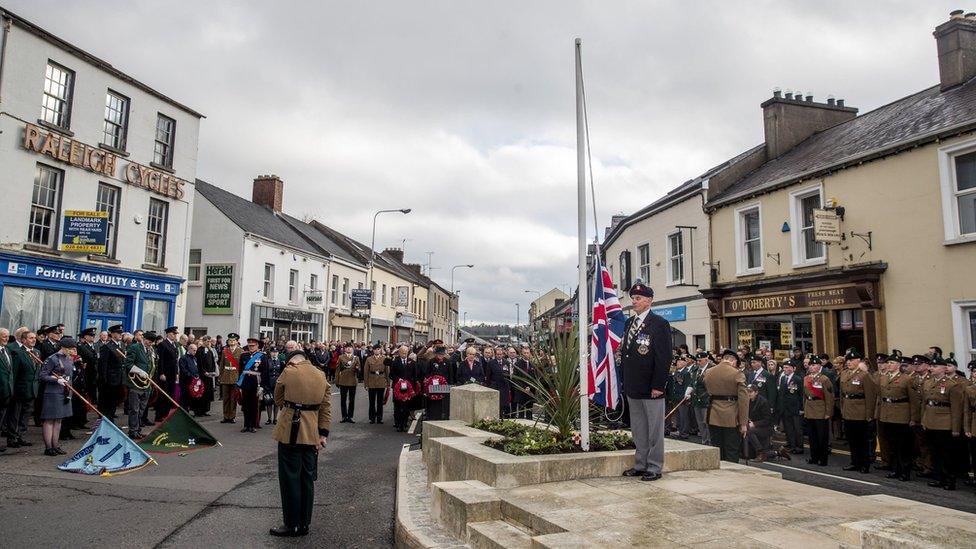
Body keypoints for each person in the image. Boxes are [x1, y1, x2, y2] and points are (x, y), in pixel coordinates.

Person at [269, 344, 332, 538]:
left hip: (290, 430)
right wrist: (323, 434)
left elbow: (278, 398)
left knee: (290, 479)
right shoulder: (320, 375)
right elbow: (326, 407)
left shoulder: (288, 372)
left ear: (291, 361)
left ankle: (292, 524)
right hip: (312, 432)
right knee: (307, 479)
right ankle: (305, 523)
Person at [619, 282, 671, 482]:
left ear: (649, 301)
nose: (634, 301)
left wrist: (658, 385)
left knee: (654, 430)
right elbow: (627, 355)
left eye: (638, 298)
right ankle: (640, 464)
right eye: (633, 298)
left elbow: (663, 357)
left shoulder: (659, 324)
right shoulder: (629, 323)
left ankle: (654, 467)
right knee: (639, 429)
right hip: (633, 386)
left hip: (651, 388)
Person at [920, 357, 964, 490]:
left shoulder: (952, 385)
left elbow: (956, 408)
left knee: (947, 453)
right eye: (931, 366)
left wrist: (956, 428)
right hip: (930, 421)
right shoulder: (927, 383)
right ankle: (939, 477)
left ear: (944, 369)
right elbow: (924, 404)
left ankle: (950, 480)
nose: (932, 368)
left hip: (945, 423)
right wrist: (924, 420)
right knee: (935, 452)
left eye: (935, 366)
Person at [876, 352, 916, 481]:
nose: (889, 365)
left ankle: (905, 471)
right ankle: (895, 469)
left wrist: (913, 418)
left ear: (899, 365)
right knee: (891, 444)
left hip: (901, 414)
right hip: (887, 414)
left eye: (892, 363)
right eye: (888, 363)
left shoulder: (907, 379)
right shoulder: (883, 378)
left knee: (903, 445)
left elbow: (913, 400)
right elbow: (880, 397)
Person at [704, 350, 749, 462]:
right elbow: (743, 400)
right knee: (732, 450)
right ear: (733, 361)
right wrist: (743, 423)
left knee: (717, 449)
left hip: (713, 414)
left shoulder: (709, 372)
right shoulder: (737, 373)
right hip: (731, 416)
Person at [839, 350, 878, 473]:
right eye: (848, 360)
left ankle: (864, 464)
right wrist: (842, 409)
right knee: (851, 439)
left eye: (852, 360)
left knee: (862, 440)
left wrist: (869, 414)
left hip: (860, 412)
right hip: (848, 411)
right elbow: (842, 395)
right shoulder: (844, 374)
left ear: (858, 361)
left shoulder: (864, 375)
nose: (849, 362)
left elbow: (870, 396)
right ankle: (854, 462)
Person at [38, 337, 77, 456]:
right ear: (64, 348)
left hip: (65, 391)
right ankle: (48, 447)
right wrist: (56, 379)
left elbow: (69, 375)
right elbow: (42, 375)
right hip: (53, 392)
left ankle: (55, 445)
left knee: (59, 419)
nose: (72, 351)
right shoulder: (52, 359)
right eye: (70, 349)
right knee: (50, 419)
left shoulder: (69, 359)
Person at [4, 330, 40, 448]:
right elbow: (13, 374)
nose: (33, 340)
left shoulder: (37, 352)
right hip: (19, 390)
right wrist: (12, 390)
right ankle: (12, 438)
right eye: (30, 338)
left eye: (34, 338)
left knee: (26, 414)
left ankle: (21, 436)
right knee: (15, 415)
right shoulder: (18, 353)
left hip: (32, 390)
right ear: (23, 340)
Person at [124, 331, 156, 439]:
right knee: (134, 409)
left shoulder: (150, 350)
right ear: (143, 338)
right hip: (135, 384)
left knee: (142, 409)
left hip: (146, 384)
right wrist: (138, 371)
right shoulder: (135, 348)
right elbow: (128, 364)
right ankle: (132, 431)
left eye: (151, 342)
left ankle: (138, 429)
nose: (149, 344)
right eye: (148, 341)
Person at [803, 356, 834, 466]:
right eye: (811, 365)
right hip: (810, 409)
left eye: (814, 365)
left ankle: (823, 459)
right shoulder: (806, 378)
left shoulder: (824, 379)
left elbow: (829, 397)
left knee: (822, 437)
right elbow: (804, 396)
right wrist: (805, 409)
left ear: (819, 366)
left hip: (820, 410)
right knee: (812, 437)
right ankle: (814, 457)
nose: (812, 367)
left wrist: (828, 412)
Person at [97, 324, 126, 419]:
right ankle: (107, 422)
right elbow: (103, 365)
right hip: (110, 380)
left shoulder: (120, 346)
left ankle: (111, 421)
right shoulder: (107, 347)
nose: (120, 335)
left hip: (118, 379)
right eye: (118, 333)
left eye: (121, 333)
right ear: (113, 334)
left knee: (114, 402)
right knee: (108, 403)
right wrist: (104, 380)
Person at [776, 362, 804, 455]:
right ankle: (792, 445)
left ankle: (799, 447)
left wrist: (801, 408)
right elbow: (781, 394)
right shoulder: (783, 378)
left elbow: (801, 395)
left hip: (795, 408)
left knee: (797, 429)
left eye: (787, 367)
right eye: (784, 367)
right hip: (785, 408)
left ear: (793, 368)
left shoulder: (798, 379)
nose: (785, 369)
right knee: (789, 428)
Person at [238, 338, 265, 433]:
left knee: (254, 406)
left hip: (255, 384)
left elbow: (264, 372)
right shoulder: (243, 355)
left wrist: (262, 386)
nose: (251, 347)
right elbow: (240, 370)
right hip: (245, 383)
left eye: (253, 345)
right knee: (245, 406)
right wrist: (239, 384)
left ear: (258, 346)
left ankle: (253, 426)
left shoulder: (262, 356)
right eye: (249, 345)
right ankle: (246, 425)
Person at [154, 326, 180, 422]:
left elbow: (175, 361)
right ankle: (159, 415)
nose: (175, 335)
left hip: (172, 374)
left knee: (170, 394)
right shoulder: (163, 344)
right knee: (163, 395)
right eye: (173, 334)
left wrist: (177, 373)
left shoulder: (174, 345)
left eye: (175, 334)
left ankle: (166, 414)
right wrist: (161, 373)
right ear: (168, 334)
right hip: (165, 373)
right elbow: (160, 360)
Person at [744, 384, 777, 462]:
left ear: (756, 392)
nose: (748, 394)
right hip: (756, 426)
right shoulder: (747, 401)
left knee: (749, 431)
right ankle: (777, 453)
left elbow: (768, 420)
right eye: (747, 392)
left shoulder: (763, 402)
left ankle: (760, 453)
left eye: (750, 392)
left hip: (766, 428)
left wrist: (754, 424)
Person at [74, 327, 98, 430]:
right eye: (91, 335)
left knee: (84, 399)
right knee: (79, 399)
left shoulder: (91, 346)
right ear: (85, 337)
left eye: (93, 335)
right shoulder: (81, 346)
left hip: (89, 375)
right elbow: (91, 358)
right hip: (84, 375)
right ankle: (77, 421)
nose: (93, 337)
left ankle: (81, 420)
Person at [421, 346, 453, 421]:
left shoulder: (447, 362)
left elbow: (450, 374)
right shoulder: (431, 361)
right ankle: (432, 416)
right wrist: (432, 379)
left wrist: (450, 384)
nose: (440, 356)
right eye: (439, 354)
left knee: (443, 401)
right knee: (434, 402)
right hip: (433, 386)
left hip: (444, 386)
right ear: (436, 354)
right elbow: (427, 373)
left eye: (442, 354)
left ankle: (444, 416)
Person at [389, 345, 416, 432]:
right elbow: (391, 375)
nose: (404, 354)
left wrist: (412, 386)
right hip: (398, 387)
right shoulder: (395, 362)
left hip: (408, 388)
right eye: (402, 352)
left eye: (406, 352)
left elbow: (414, 376)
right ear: (399, 353)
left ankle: (404, 424)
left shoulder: (411, 362)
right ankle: (398, 424)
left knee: (406, 407)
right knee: (397, 407)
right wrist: (398, 379)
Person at [218, 334, 243, 424]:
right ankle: (225, 416)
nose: (231, 342)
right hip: (225, 377)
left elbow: (241, 367)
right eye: (230, 340)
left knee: (233, 399)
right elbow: (221, 365)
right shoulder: (225, 351)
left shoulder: (241, 351)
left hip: (235, 377)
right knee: (226, 398)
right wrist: (220, 376)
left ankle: (232, 416)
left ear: (237, 341)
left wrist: (241, 379)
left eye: (233, 340)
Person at [690, 352, 712, 445]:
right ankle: (704, 439)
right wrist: (689, 390)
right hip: (696, 399)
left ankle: (710, 440)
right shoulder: (696, 370)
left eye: (700, 360)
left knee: (706, 421)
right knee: (699, 422)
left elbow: (711, 386)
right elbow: (693, 382)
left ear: (706, 360)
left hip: (706, 399)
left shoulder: (711, 369)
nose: (698, 362)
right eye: (697, 361)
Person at [364, 344, 389, 424]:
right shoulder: (369, 359)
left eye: (378, 349)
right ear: (373, 350)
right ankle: (372, 417)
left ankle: (379, 417)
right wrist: (366, 384)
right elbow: (366, 372)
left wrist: (388, 383)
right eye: (375, 349)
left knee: (380, 401)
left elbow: (387, 371)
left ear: (380, 350)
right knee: (372, 401)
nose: (377, 351)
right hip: (371, 380)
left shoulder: (384, 358)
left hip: (381, 381)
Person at [335, 345, 360, 423]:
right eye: (347, 347)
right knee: (343, 400)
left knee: (351, 400)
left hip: (352, 380)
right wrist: (337, 381)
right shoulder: (341, 357)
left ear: (352, 349)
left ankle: (350, 416)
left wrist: (357, 369)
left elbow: (359, 369)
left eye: (350, 347)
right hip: (343, 380)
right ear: (345, 349)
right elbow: (337, 370)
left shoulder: (356, 358)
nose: (348, 349)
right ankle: (344, 416)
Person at [486, 347, 512, 417]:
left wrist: (509, 387)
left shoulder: (506, 362)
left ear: (503, 354)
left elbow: (509, 376)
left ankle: (504, 417)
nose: (499, 356)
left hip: (504, 387)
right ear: (495, 354)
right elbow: (488, 376)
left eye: (500, 354)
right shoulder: (491, 363)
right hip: (495, 386)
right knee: (496, 404)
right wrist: (489, 386)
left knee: (504, 405)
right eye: (498, 354)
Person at [511, 347, 536, 419]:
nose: (526, 354)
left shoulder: (533, 365)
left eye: (527, 353)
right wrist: (524, 387)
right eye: (524, 353)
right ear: (522, 354)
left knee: (529, 412)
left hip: (530, 392)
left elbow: (535, 378)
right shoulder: (517, 364)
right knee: (521, 411)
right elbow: (515, 378)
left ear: (530, 354)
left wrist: (530, 387)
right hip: (520, 391)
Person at [196, 336, 217, 416]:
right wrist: (204, 372)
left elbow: (213, 362)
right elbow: (199, 363)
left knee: (207, 393)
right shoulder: (199, 351)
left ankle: (205, 410)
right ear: (204, 341)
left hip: (209, 376)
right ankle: (199, 411)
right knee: (202, 393)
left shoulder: (210, 351)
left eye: (209, 341)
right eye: (207, 341)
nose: (209, 343)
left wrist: (213, 371)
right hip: (203, 376)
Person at [178, 343, 200, 412]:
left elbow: (196, 368)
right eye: (194, 350)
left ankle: (190, 410)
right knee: (185, 398)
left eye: (196, 350)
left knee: (191, 397)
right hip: (185, 382)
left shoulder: (195, 358)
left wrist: (197, 376)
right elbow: (184, 370)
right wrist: (192, 377)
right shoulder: (183, 358)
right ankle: (184, 412)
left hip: (193, 382)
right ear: (189, 349)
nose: (195, 352)